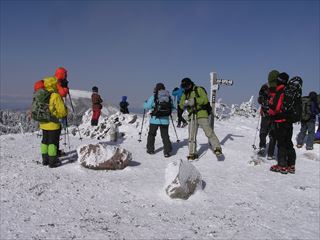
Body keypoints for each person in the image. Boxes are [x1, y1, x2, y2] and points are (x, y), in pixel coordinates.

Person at [179, 77, 222, 160]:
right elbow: (181, 105)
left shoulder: (198, 89)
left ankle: (217, 148)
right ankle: (192, 153)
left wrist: (194, 100)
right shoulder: (185, 94)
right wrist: (184, 103)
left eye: (186, 86)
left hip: (201, 113)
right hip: (192, 115)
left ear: (190, 84)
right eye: (184, 87)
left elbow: (205, 100)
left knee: (208, 131)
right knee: (191, 135)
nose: (185, 88)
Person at [269, 72, 296, 174]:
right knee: (288, 142)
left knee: (281, 143)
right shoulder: (290, 91)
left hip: (280, 121)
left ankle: (282, 165)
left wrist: (270, 107)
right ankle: (291, 165)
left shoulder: (280, 91)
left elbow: (276, 108)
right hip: (289, 121)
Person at [39, 76, 68, 168]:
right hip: (53, 124)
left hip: (43, 123)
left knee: (45, 141)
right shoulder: (55, 95)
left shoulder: (42, 94)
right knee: (52, 142)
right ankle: (53, 162)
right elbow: (62, 111)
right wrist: (63, 113)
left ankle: (45, 160)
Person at [144, 83, 173, 158]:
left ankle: (150, 150)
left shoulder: (154, 96)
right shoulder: (169, 97)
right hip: (165, 120)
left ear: (156, 88)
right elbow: (172, 107)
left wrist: (145, 102)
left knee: (152, 134)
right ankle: (167, 151)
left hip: (155, 119)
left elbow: (147, 106)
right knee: (165, 135)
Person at [257, 70, 278, 159]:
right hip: (275, 114)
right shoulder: (280, 88)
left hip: (265, 113)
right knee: (273, 133)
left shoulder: (264, 86)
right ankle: (270, 153)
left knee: (263, 131)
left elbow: (259, 100)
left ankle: (262, 147)